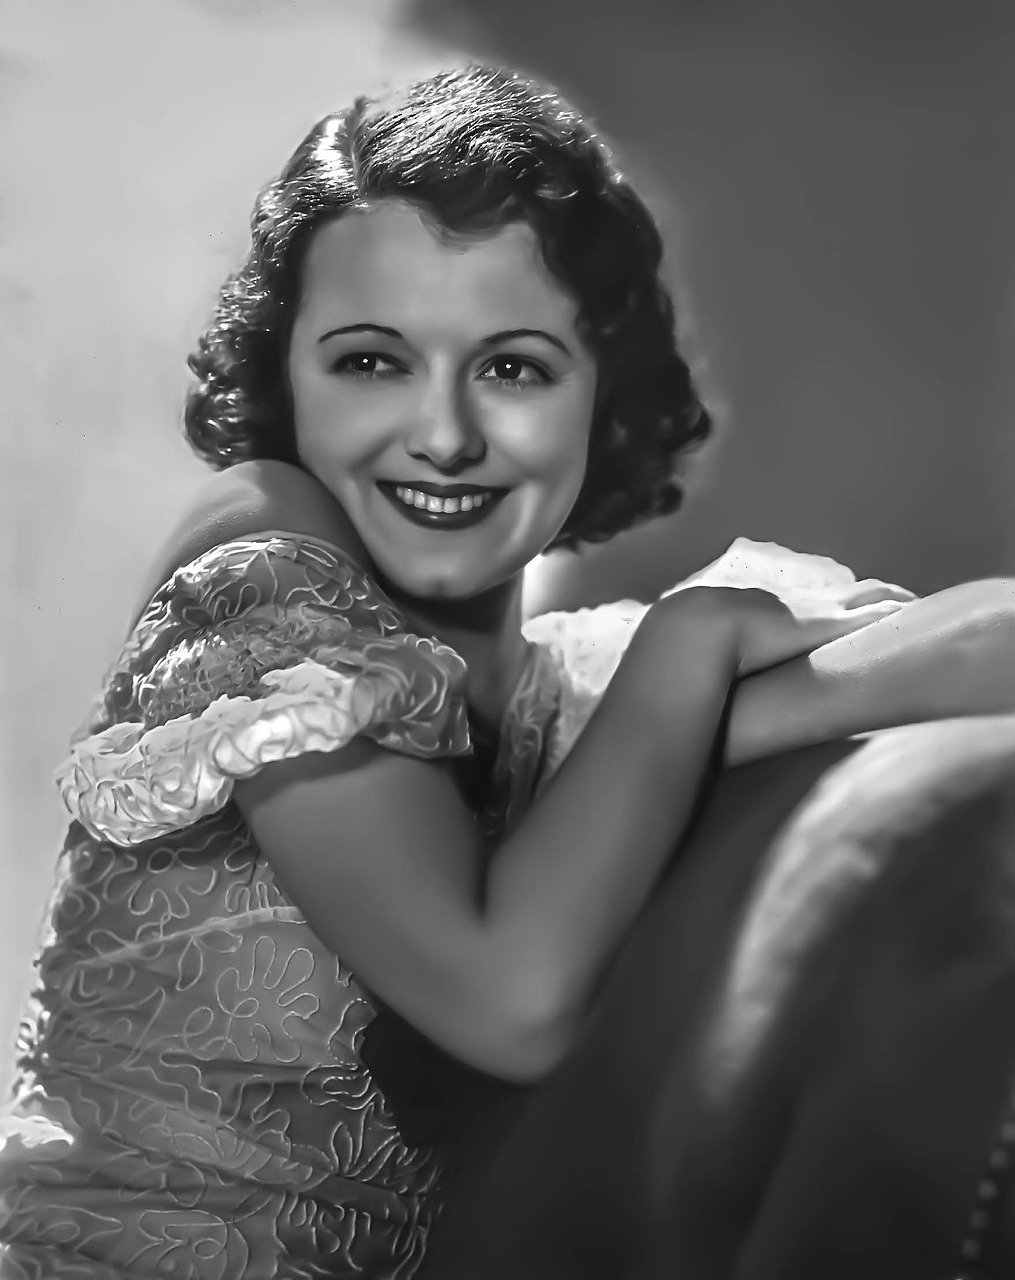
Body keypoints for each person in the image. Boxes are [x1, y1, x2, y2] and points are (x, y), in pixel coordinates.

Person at [1, 64, 1013, 1279]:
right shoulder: (260, 561)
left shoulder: (568, 687)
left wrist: (736, 681)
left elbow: (955, 648)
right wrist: (690, 646)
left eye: (513, 367)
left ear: (603, 396)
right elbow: (509, 999)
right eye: (370, 362)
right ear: (284, 377)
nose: (442, 434)